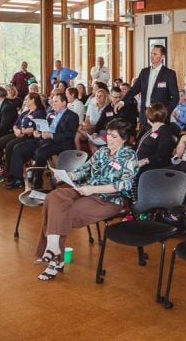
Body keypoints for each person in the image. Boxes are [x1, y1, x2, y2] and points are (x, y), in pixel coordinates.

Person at [32, 119, 138, 281]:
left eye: (114, 137)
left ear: (124, 139)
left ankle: (54, 261)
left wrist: (93, 189)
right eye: (108, 134)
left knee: (61, 210)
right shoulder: (102, 152)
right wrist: (67, 176)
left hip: (109, 200)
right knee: (54, 197)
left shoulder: (129, 156)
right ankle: (53, 248)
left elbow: (125, 184)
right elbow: (84, 170)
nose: (109, 139)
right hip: (86, 190)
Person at [6, 92, 80, 189]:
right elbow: (44, 127)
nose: (53, 103)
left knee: (40, 152)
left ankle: (37, 180)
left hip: (60, 143)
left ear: (64, 103)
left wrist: (52, 136)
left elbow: (70, 134)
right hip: (44, 140)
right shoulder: (50, 114)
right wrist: (38, 133)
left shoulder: (72, 116)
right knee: (18, 148)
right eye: (52, 101)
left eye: (56, 101)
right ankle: (18, 179)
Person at [118, 45, 179, 124]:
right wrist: (122, 102)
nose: (152, 56)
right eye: (151, 53)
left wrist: (164, 113)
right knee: (143, 136)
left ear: (162, 57)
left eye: (155, 54)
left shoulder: (169, 74)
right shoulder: (144, 72)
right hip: (145, 114)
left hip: (160, 117)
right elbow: (134, 90)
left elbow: (175, 97)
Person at [0, 92, 43, 178]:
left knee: (10, 146)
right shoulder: (25, 112)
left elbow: (36, 128)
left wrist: (22, 131)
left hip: (28, 136)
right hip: (18, 133)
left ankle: (9, 172)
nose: (24, 102)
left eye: (26, 100)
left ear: (33, 100)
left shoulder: (39, 112)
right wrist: (16, 130)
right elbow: (15, 124)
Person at [136, 103, 177, 175]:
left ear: (150, 117)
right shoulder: (150, 128)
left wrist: (143, 161)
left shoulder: (165, 131)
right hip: (139, 163)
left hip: (151, 168)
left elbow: (161, 154)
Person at [76, 86, 112, 152]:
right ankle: (79, 155)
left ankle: (96, 158)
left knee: (79, 130)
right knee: (77, 135)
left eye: (100, 96)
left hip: (98, 128)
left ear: (105, 98)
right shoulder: (92, 106)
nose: (98, 98)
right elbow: (86, 119)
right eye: (97, 96)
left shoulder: (107, 108)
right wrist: (85, 125)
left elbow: (102, 124)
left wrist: (90, 127)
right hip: (89, 128)